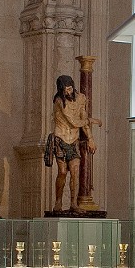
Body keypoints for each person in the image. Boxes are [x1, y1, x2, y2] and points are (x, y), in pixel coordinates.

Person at [43, 74, 95, 212]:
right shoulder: (59, 101)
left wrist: (90, 138)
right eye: (65, 90)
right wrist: (91, 120)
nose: (68, 92)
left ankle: (73, 203)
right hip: (61, 139)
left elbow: (82, 118)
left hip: (73, 140)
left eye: (70, 89)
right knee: (62, 172)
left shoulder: (81, 98)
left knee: (75, 172)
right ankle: (58, 202)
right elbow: (73, 121)